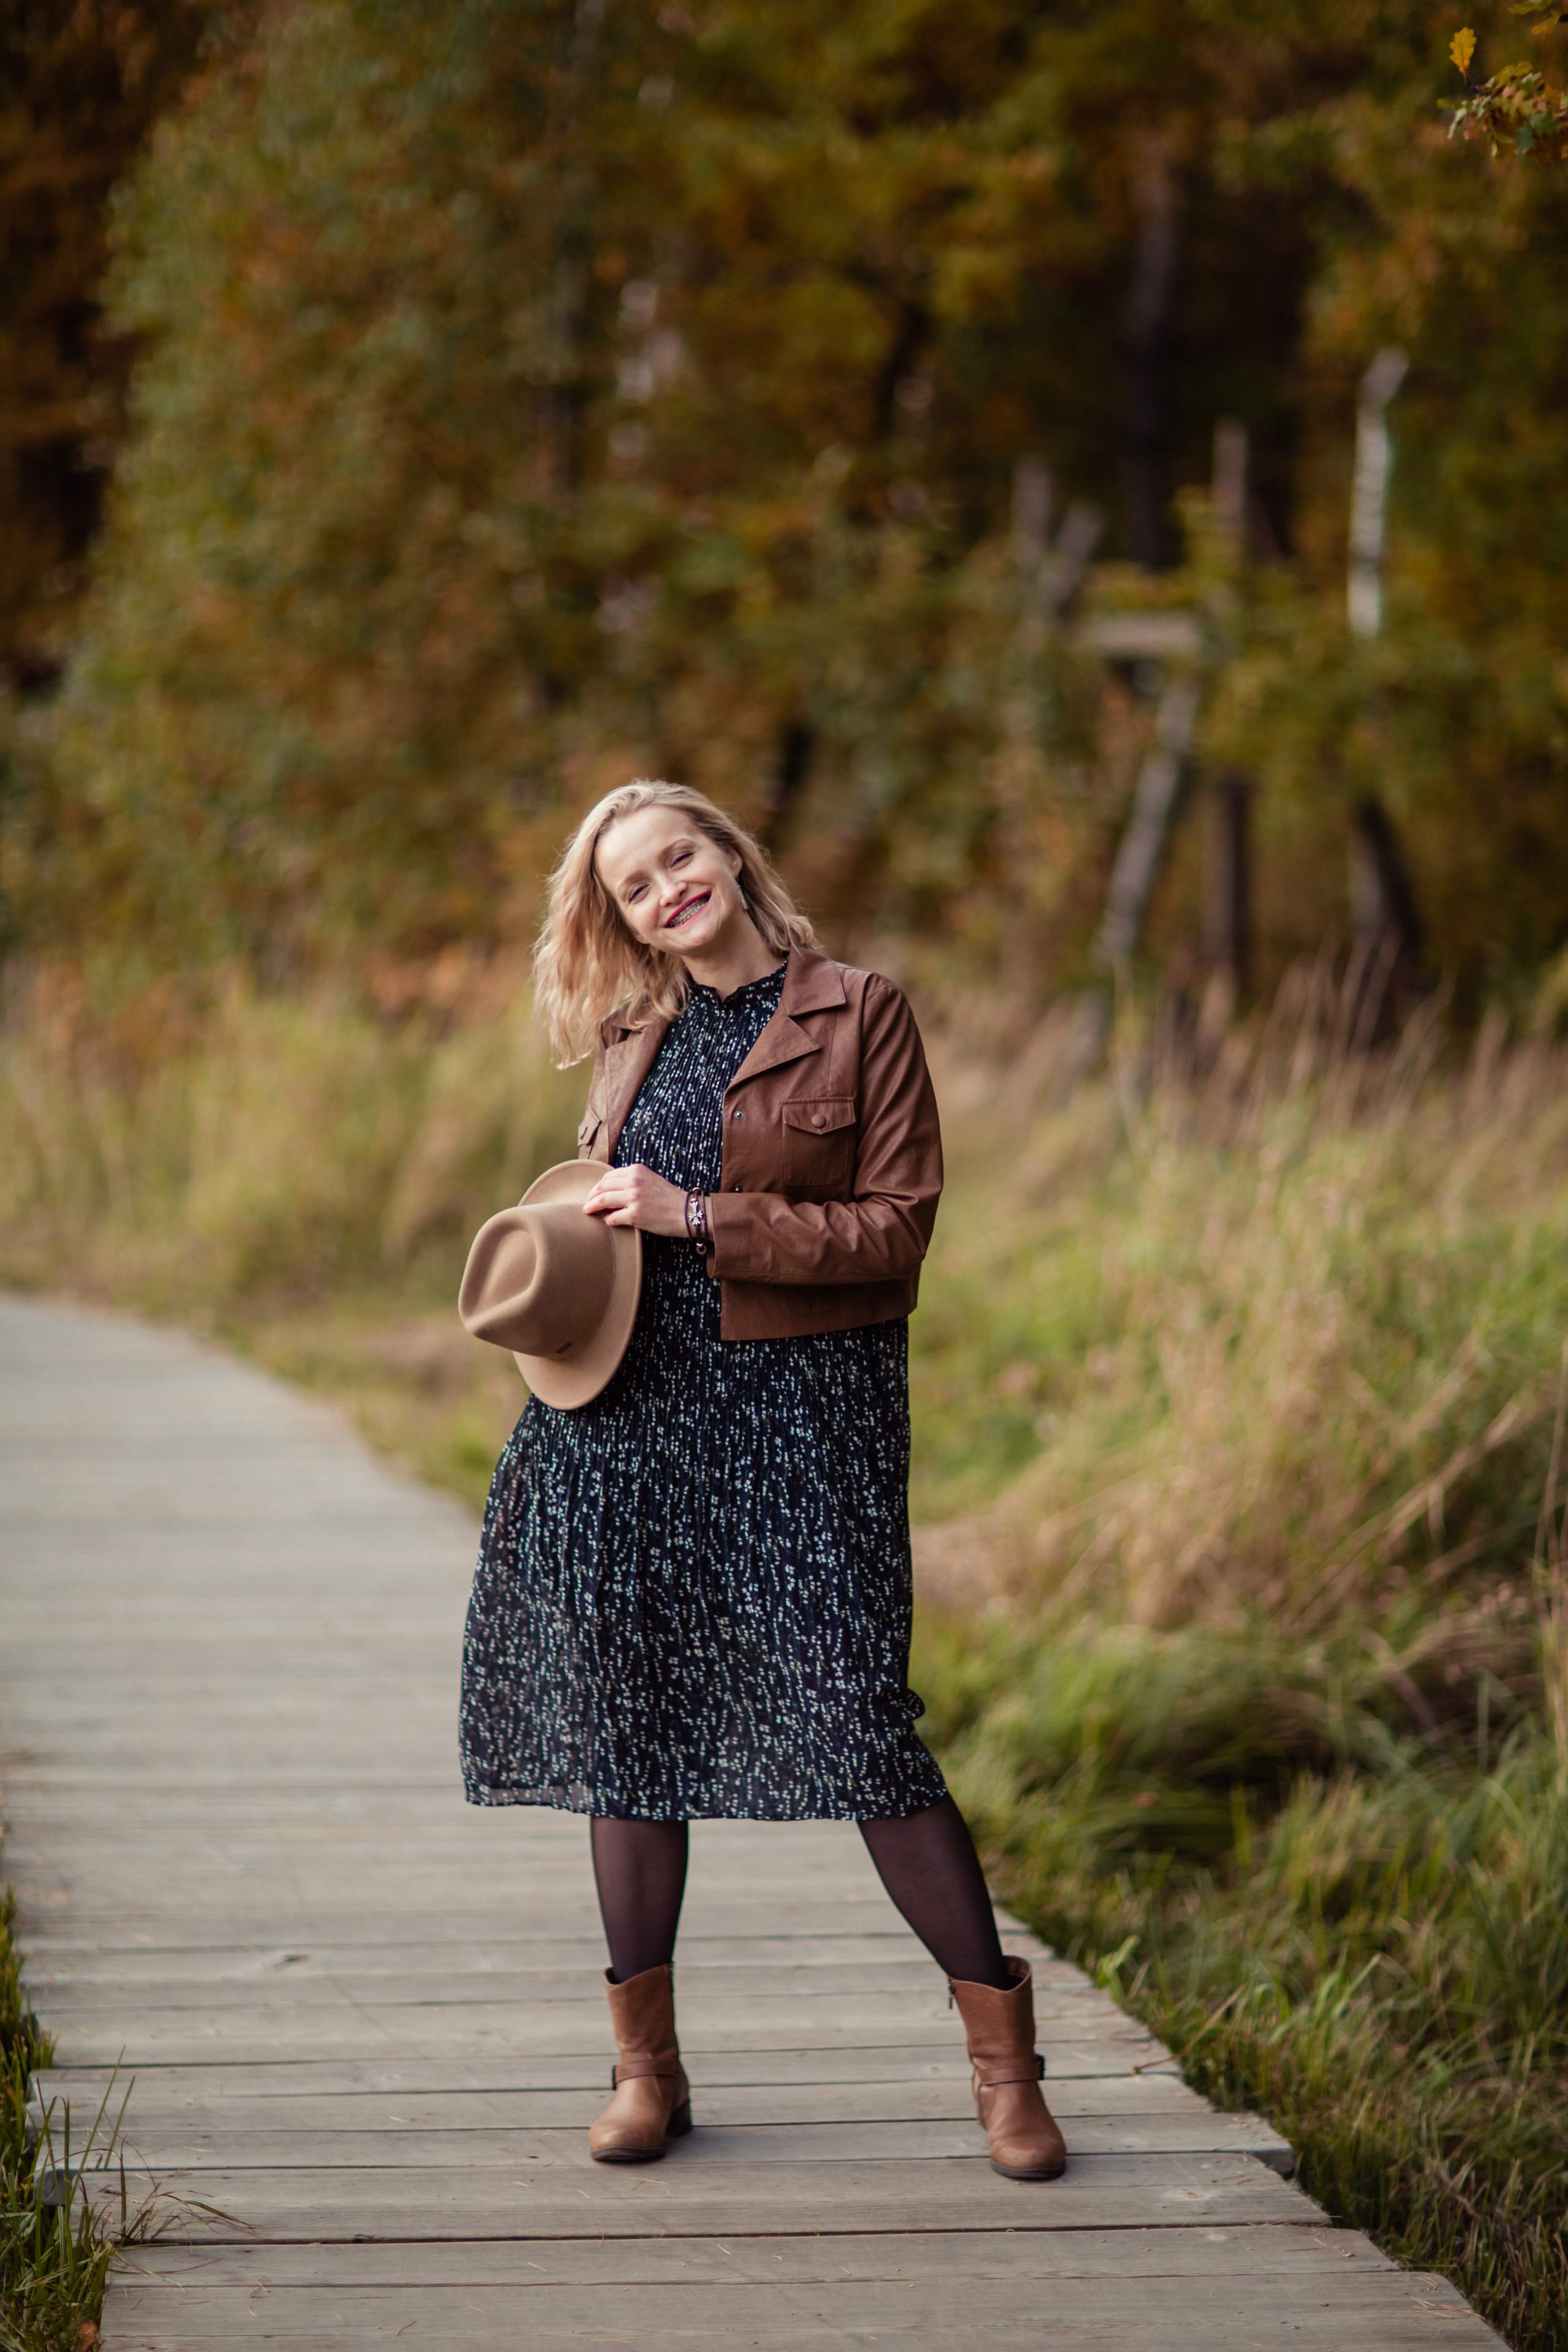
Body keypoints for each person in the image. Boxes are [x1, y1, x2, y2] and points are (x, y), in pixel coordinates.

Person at [459, 778, 1065, 2182]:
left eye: (681, 856)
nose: (668, 888)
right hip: (625, 1426)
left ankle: (1005, 2072)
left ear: (729, 856)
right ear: (622, 920)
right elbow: (601, 1226)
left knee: (861, 1726)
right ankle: (645, 2073)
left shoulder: (858, 1010)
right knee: (629, 1723)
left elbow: (896, 1234)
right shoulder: (629, 1041)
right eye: (634, 885)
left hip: (805, 1426)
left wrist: (698, 1216)